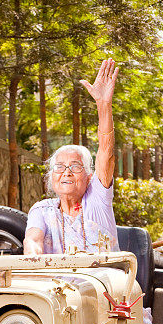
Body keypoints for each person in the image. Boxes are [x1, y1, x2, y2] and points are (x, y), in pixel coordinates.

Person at [24, 59, 120, 256]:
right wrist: (34, 264)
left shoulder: (96, 200)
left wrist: (103, 105)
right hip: (57, 285)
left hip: (105, 282)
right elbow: (33, 241)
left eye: (75, 166)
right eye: (59, 167)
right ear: (51, 177)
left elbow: (106, 154)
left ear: (89, 177)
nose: (66, 172)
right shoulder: (42, 210)